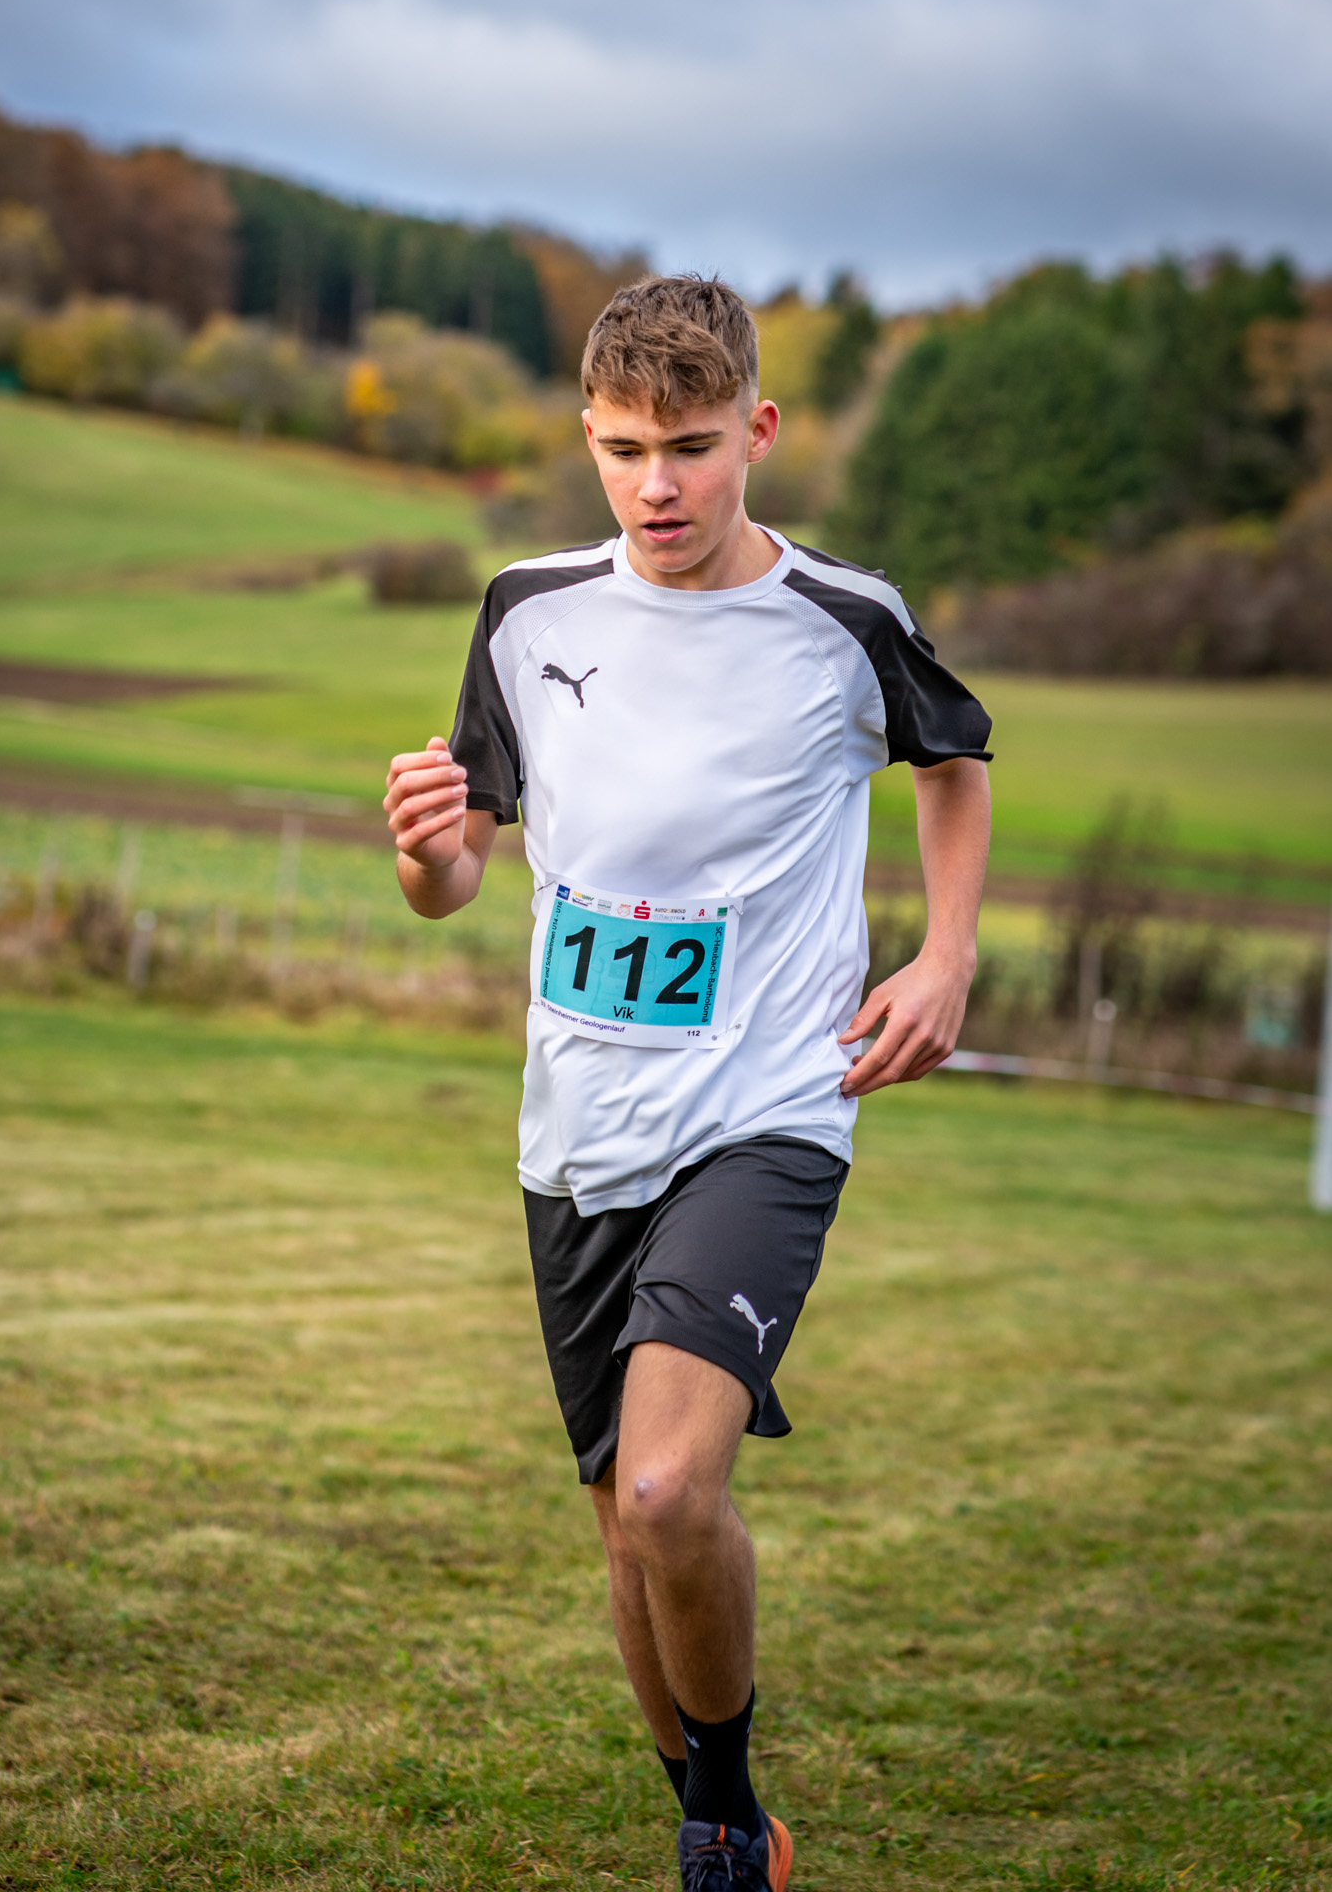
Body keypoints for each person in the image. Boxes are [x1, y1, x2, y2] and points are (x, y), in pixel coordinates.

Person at [384, 276, 992, 1891]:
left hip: (767, 1109)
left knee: (666, 1491)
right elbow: (458, 876)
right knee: (621, 1529)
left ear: (758, 433)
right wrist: (429, 858)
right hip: (576, 1127)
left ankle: (718, 1818)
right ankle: (716, 1815)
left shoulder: (842, 618)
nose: (655, 487)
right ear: (586, 437)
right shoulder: (526, 612)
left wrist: (942, 957)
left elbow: (952, 759)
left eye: (691, 448)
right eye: (622, 450)